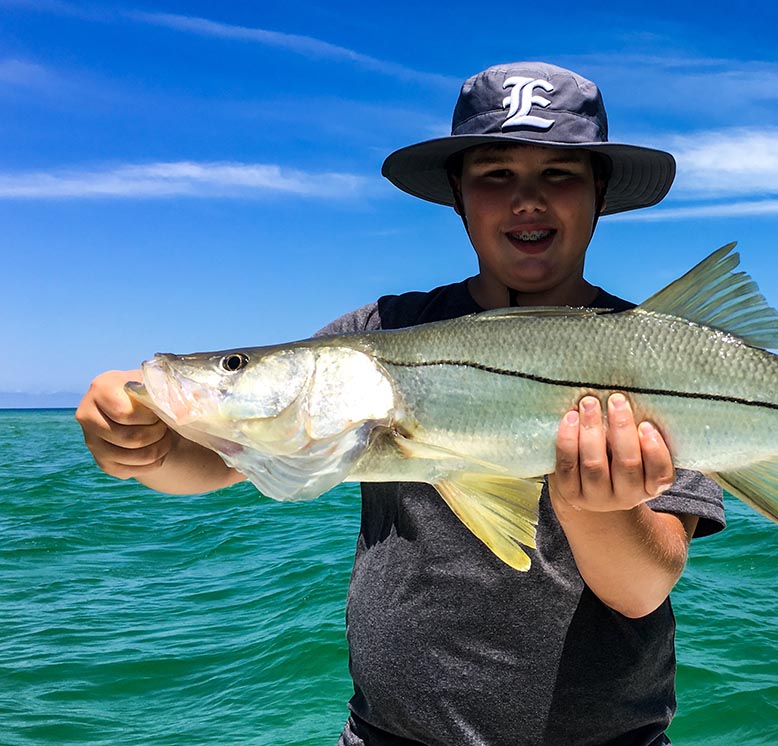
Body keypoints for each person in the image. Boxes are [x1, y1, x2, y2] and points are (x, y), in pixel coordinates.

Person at [76, 62, 726, 746]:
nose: (526, 200)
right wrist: (142, 442)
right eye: (495, 174)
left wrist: (600, 510)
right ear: (457, 193)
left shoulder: (669, 360)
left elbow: (642, 588)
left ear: (599, 193)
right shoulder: (375, 333)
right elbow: (209, 464)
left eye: (559, 174)